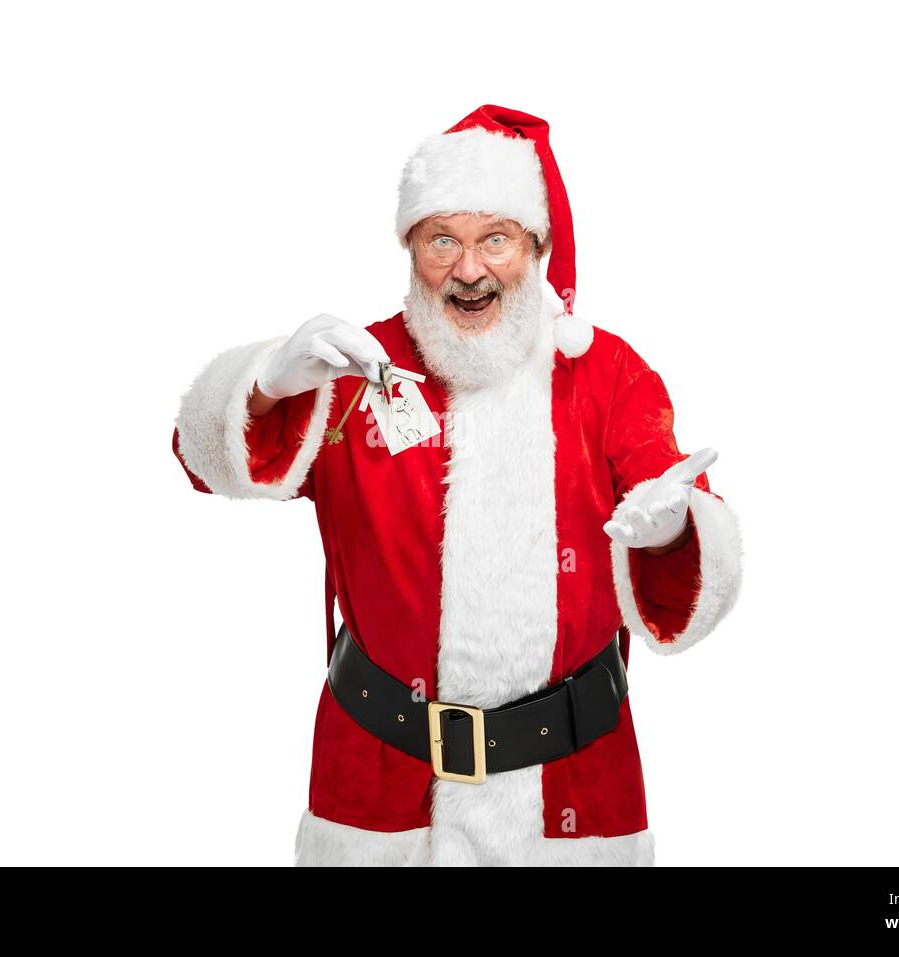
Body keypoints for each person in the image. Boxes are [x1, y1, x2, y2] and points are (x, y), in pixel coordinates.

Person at [172, 105, 743, 866]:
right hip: (377, 796)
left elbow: (681, 545)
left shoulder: (607, 376)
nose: (469, 270)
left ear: (534, 246)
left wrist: (673, 533)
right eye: (443, 239)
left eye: (494, 240)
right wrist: (269, 385)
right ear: (410, 247)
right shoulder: (349, 366)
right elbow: (199, 459)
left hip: (571, 798)